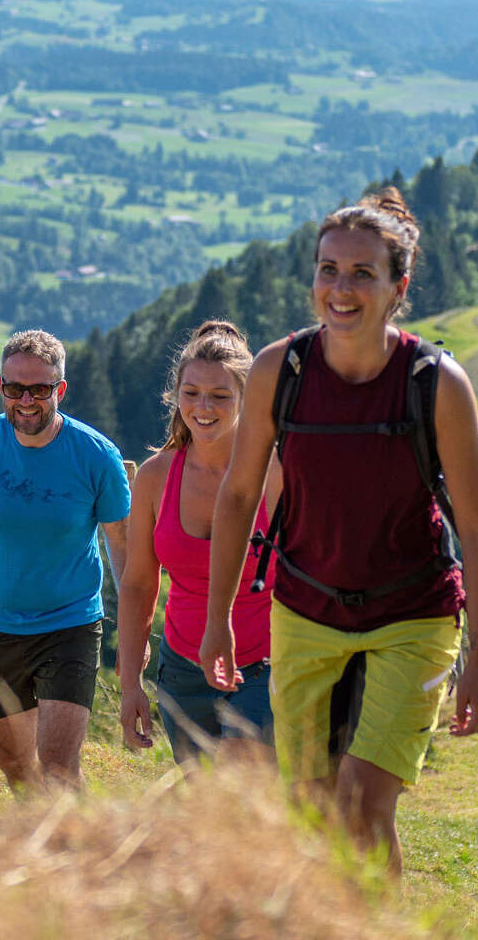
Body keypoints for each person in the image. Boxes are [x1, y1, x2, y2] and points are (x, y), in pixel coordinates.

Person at [198, 187, 478, 876]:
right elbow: (239, 493)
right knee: (310, 812)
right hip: (306, 609)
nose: (340, 288)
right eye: (328, 269)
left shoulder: (436, 383)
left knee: (364, 805)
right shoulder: (283, 371)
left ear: (399, 286)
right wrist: (219, 619)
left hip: (413, 612)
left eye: (362, 273)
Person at [0, 330, 131, 792]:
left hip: (72, 624)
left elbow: (123, 546)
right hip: (1, 626)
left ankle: (81, 856)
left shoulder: (97, 456)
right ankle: (36, 852)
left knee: (59, 767)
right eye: (14, 388)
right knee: (15, 766)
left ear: (59, 390)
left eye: (39, 389)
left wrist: (133, 633)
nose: (25, 400)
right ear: (0, 385)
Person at [115, 320, 282, 765]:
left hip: (265, 666)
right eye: (191, 393)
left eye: (220, 396)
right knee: (206, 816)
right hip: (183, 675)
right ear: (175, 395)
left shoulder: (278, 472)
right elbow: (137, 585)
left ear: (247, 399)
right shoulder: (155, 477)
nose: (203, 407)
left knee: (239, 792)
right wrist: (131, 681)